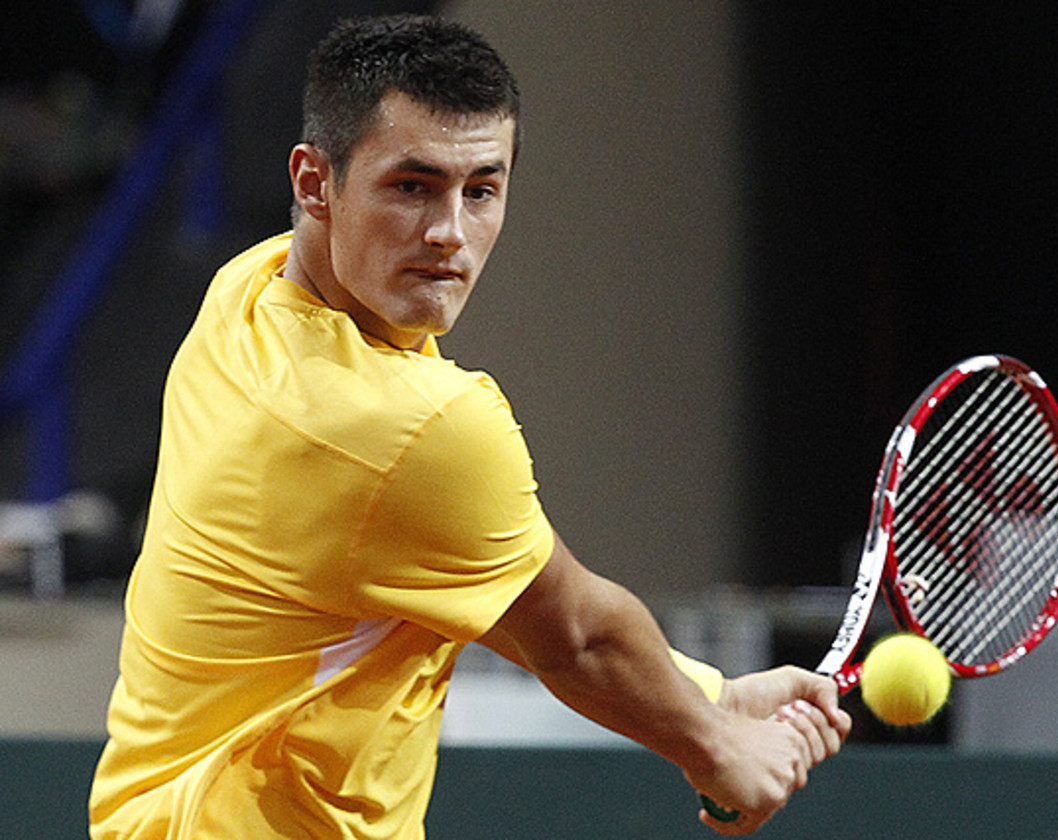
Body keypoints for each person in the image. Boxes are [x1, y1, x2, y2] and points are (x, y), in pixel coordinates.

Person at [89, 14, 851, 839]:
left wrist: (711, 694)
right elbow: (576, 637)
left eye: (480, 189)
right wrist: (717, 749)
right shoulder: (408, 429)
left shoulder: (250, 288)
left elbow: (514, 607)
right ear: (314, 183)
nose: (450, 233)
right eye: (412, 186)